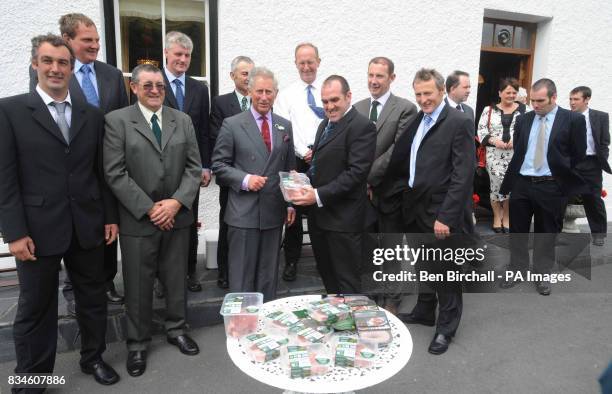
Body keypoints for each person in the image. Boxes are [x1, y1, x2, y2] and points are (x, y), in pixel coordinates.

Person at [0, 34, 120, 389]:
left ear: (71, 67)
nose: (56, 68)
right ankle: (33, 377)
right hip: (35, 231)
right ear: (35, 64)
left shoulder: (92, 114)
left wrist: (110, 216)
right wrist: (14, 233)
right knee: (36, 309)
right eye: (48, 61)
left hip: (88, 224)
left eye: (63, 62)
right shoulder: (10, 111)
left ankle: (93, 358)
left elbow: (100, 171)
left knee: (93, 299)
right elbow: (5, 179)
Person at [104, 64, 202, 377]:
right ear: (134, 87)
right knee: (137, 286)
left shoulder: (182, 120)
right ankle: (137, 345)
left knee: (176, 280)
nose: (155, 90)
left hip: (176, 218)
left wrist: (174, 204)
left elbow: (193, 168)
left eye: (160, 85)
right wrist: (151, 209)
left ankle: (177, 330)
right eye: (148, 85)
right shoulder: (117, 121)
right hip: (138, 221)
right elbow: (114, 173)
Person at [29, 13, 130, 309]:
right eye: (88, 40)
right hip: (70, 166)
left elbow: (122, 118)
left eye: (97, 39)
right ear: (68, 40)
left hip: (107, 162)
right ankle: (73, 286)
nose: (95, 45)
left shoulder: (112, 74)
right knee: (75, 230)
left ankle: (107, 280)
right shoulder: (52, 73)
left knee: (108, 224)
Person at [386, 68, 475, 355]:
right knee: (423, 267)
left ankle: (446, 328)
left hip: (440, 213)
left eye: (428, 93)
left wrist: (446, 217)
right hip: (414, 208)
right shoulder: (418, 119)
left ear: (441, 91)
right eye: (419, 94)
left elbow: (463, 175)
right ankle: (425, 311)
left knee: (446, 273)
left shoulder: (458, 121)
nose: (423, 99)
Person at [211, 66, 296, 301]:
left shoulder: (284, 125)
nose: (264, 97)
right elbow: (219, 165)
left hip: (273, 211)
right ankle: (240, 329)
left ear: (276, 94)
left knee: (268, 276)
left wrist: (290, 203)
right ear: (250, 91)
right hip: (243, 213)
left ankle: (265, 325)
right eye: (259, 91)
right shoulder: (232, 124)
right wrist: (246, 180)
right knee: (242, 276)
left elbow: (289, 170)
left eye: (269, 92)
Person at [500, 78, 587, 295]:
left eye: (540, 101)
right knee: (517, 231)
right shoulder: (524, 120)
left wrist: (562, 183)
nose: (535, 105)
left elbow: (578, 155)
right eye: (532, 101)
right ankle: (518, 269)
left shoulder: (573, 120)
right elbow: (520, 151)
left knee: (546, 233)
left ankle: (542, 273)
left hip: (551, 186)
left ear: (554, 97)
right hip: (522, 183)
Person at [292, 75, 376, 294]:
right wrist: (301, 178)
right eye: (325, 101)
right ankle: (339, 324)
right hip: (319, 219)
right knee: (329, 280)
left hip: (343, 222)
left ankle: (355, 326)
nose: (329, 106)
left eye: (334, 100)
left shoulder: (362, 126)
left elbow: (356, 174)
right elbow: (320, 166)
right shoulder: (324, 124)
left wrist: (317, 195)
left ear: (348, 96)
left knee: (348, 284)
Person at [354, 56, 417, 314]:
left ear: (391, 78)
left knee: (390, 250)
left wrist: (368, 177)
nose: (373, 80)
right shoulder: (356, 108)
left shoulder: (405, 108)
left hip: (391, 193)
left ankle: (392, 297)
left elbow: (397, 150)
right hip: (361, 196)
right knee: (368, 247)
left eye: (380, 76)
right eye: (370, 75)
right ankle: (371, 294)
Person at [162, 31, 211, 292]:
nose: (182, 59)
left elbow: (203, 129)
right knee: (162, 223)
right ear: (166, 53)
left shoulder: (199, 89)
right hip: (158, 168)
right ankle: (162, 279)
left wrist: (205, 165)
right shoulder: (154, 83)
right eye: (178, 54)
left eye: (187, 55)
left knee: (189, 222)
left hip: (190, 169)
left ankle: (189, 272)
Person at [274, 43, 325, 281]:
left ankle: (322, 258)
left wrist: (318, 152)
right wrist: (305, 151)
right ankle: (292, 260)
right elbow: (284, 129)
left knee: (320, 210)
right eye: (301, 62)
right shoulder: (286, 95)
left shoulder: (326, 91)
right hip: (297, 159)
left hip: (323, 160)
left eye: (310, 61)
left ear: (318, 62)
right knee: (292, 211)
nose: (306, 66)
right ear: (295, 64)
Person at [210, 55, 254, 289]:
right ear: (233, 76)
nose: (249, 78)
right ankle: (224, 271)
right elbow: (218, 138)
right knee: (228, 224)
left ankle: (247, 268)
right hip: (231, 176)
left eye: (251, 73)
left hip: (256, 177)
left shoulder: (261, 100)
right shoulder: (220, 103)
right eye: (244, 73)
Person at [477, 77, 526, 233]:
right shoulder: (488, 110)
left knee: (512, 187)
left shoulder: (525, 110)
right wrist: (493, 140)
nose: (511, 95)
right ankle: (497, 217)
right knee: (496, 186)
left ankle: (507, 218)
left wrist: (517, 139)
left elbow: (530, 130)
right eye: (508, 92)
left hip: (515, 155)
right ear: (500, 93)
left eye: (514, 92)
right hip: (494, 156)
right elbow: (481, 130)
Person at [569, 86, 610, 246]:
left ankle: (599, 234)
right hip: (571, 162)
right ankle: (553, 233)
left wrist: (602, 159)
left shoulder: (600, 117)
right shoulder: (565, 117)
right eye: (571, 99)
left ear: (586, 99)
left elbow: (605, 141)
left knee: (593, 198)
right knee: (560, 196)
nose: (572, 103)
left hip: (592, 163)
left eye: (576, 99)